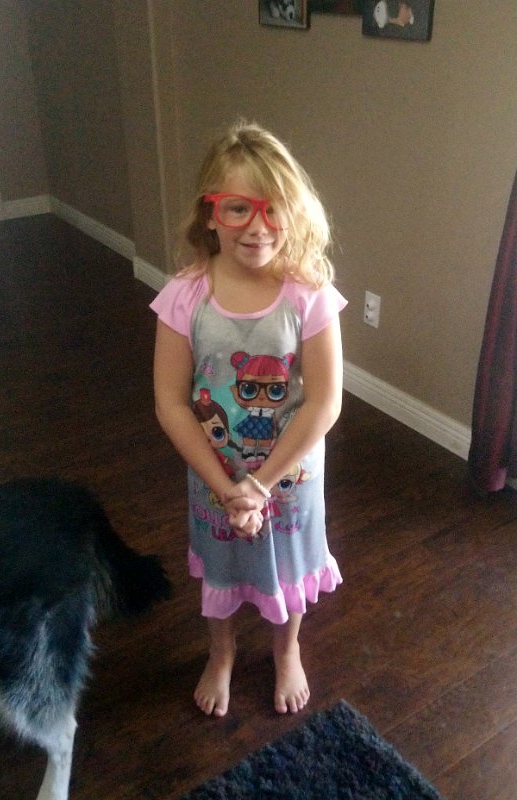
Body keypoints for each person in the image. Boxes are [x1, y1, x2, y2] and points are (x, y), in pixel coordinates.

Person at [151, 121, 346, 717]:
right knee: (222, 567)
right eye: (238, 208)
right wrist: (228, 488)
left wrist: (260, 486)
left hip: (289, 478)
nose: (258, 226)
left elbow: (324, 401)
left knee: (289, 568)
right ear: (210, 214)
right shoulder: (185, 295)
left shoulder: (308, 294)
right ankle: (223, 652)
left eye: (273, 208)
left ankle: (287, 648)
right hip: (215, 477)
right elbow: (171, 403)